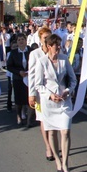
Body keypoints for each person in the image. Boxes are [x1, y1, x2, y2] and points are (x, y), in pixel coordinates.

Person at [34, 33, 77, 172]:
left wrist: (67, 91)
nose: (58, 47)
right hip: (49, 103)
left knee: (65, 131)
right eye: (56, 45)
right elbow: (38, 84)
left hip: (64, 102)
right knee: (51, 132)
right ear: (49, 46)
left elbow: (73, 80)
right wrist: (50, 95)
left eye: (59, 44)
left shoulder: (64, 60)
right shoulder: (42, 62)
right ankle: (58, 161)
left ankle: (65, 163)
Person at [28, 26, 56, 160]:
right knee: (44, 120)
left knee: (54, 120)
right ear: (40, 40)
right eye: (45, 38)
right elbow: (32, 75)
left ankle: (54, 143)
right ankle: (48, 147)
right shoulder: (35, 54)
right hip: (40, 93)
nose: (47, 41)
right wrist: (31, 93)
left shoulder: (55, 52)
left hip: (54, 93)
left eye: (49, 38)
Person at [6, 34, 32, 126]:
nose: (21, 41)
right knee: (19, 100)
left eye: (22, 39)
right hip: (18, 78)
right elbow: (9, 66)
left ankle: (29, 120)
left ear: (26, 41)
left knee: (29, 99)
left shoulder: (31, 51)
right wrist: (19, 72)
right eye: (19, 40)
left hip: (29, 78)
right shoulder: (13, 53)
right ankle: (19, 115)